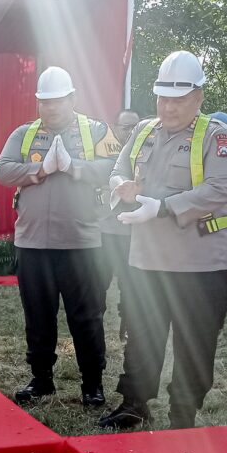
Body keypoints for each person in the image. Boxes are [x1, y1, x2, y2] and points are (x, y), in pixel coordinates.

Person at [102, 51, 227, 430]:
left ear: (199, 97)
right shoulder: (144, 130)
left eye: (178, 99)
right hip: (146, 260)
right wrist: (121, 185)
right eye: (163, 98)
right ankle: (134, 403)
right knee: (141, 335)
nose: (169, 107)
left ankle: (183, 412)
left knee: (195, 341)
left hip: (198, 263)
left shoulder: (217, 136)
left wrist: (162, 207)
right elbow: (119, 167)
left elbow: (219, 189)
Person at [0, 66, 120, 407]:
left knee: (87, 316)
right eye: (44, 102)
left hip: (81, 243)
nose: (50, 108)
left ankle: (92, 383)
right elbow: (3, 170)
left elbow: (115, 167)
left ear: (72, 99)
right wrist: (40, 170)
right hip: (33, 243)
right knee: (38, 316)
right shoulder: (25, 134)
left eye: (57, 101)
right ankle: (41, 380)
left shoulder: (95, 130)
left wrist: (73, 166)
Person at [98, 109, 140, 341]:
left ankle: (129, 326)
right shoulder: (103, 151)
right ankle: (94, 326)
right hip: (105, 231)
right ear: (115, 128)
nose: (131, 131)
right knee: (98, 283)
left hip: (133, 232)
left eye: (135, 126)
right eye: (126, 127)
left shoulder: (145, 154)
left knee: (132, 284)